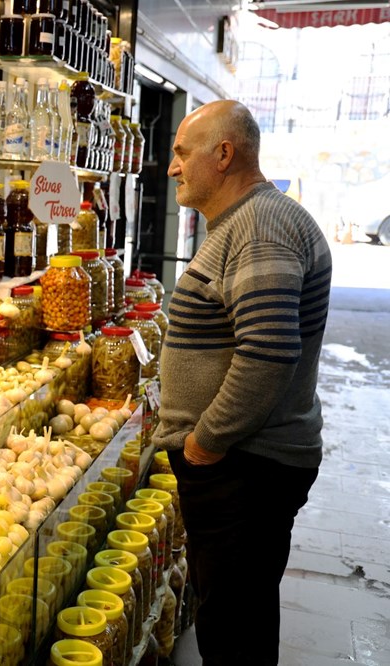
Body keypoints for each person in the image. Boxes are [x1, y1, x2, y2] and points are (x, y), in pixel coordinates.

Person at [152, 100, 331, 665]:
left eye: (181, 153)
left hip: (246, 467)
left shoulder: (259, 227)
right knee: (238, 613)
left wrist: (206, 442)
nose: (173, 168)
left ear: (223, 154)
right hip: (244, 465)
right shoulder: (247, 221)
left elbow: (269, 352)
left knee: (234, 631)